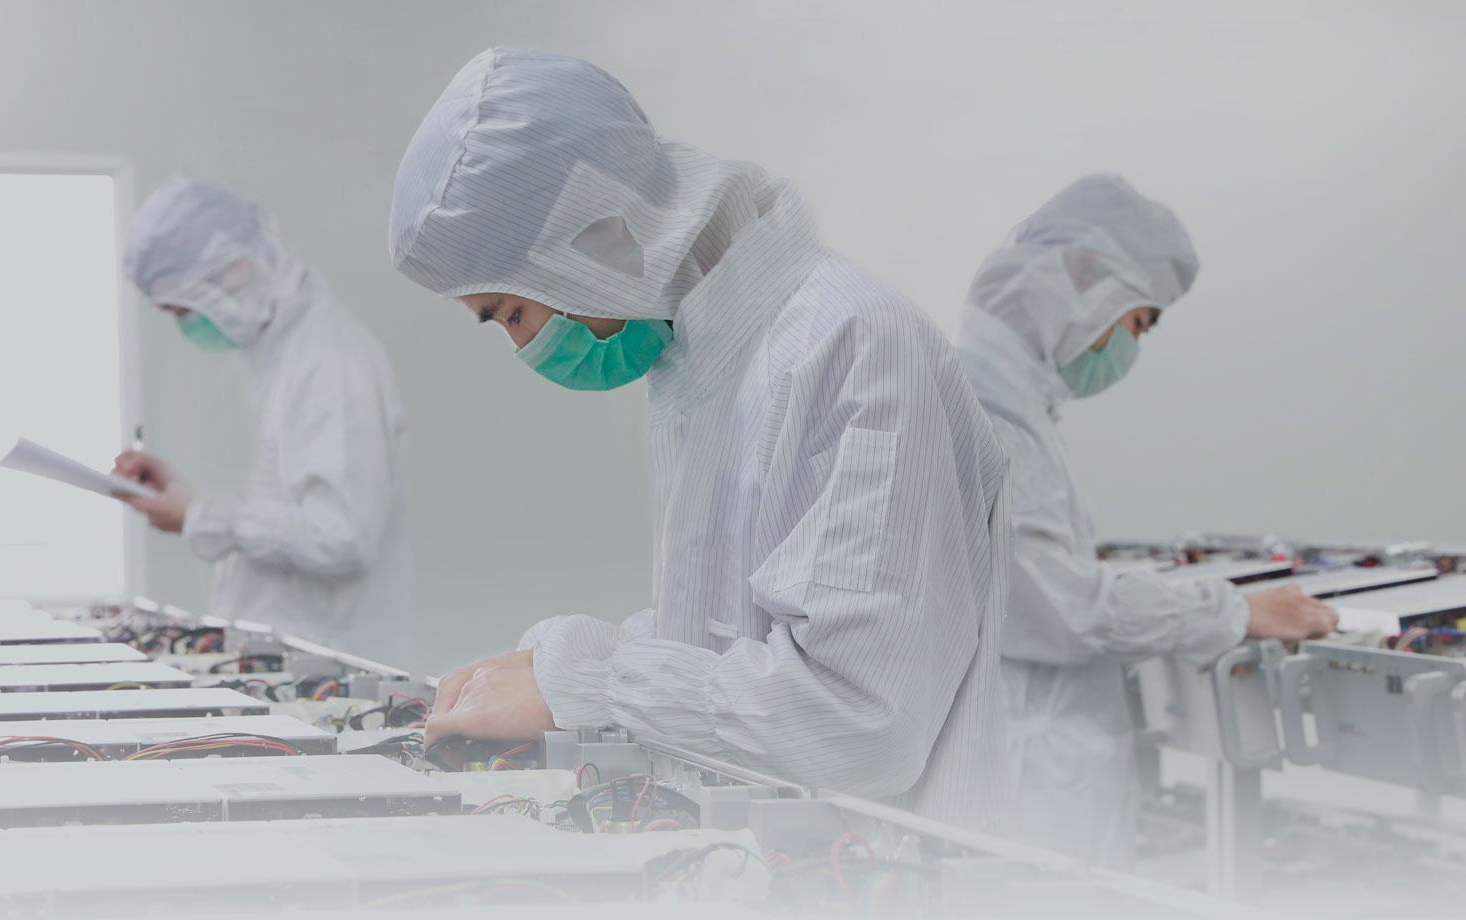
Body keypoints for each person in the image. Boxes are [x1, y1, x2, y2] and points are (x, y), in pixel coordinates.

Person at [389, 48, 1011, 827]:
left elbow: (857, 723)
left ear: (595, 239)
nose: (525, 347)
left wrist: (588, 682)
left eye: (512, 312)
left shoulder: (852, 343)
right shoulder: (709, 363)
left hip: (894, 864)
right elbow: (739, 636)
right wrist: (560, 663)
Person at [956, 174, 1338, 865]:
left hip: (1026, 773)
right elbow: (1057, 608)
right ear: (1085, 279)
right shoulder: (994, 412)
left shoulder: (1001, 395)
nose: (1130, 349)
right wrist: (1232, 611)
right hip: (1029, 789)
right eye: (1137, 324)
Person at [114, 177, 412, 662]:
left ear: (233, 270)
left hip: (321, 665)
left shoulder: (328, 361)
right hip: (287, 657)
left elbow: (341, 539)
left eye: (183, 311)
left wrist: (199, 516)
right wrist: (184, 499)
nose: (186, 325)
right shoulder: (285, 354)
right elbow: (290, 510)